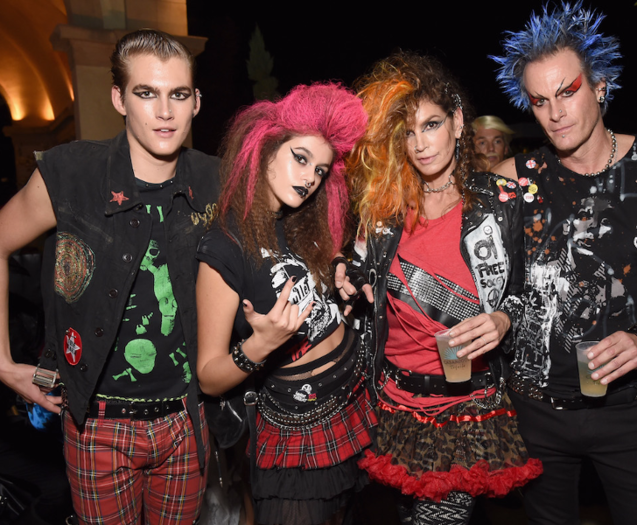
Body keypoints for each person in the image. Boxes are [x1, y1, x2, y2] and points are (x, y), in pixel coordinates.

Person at [490, 2, 637, 524]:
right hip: (534, 410)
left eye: (568, 91)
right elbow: (444, 242)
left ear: (600, 85)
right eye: (540, 100)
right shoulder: (513, 177)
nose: (555, 112)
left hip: (631, 408)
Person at [0, 29, 218, 524]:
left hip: (187, 423)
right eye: (147, 93)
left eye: (178, 94)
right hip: (97, 425)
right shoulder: (71, 173)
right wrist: (4, 364)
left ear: (196, 102)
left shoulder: (216, 180)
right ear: (119, 98)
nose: (164, 111)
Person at [336, 52, 542, 525]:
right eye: (408, 131)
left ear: (457, 121)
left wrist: (503, 318)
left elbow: (526, 289)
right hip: (392, 401)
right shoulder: (383, 209)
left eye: (430, 125)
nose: (420, 143)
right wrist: (348, 275)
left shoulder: (499, 203)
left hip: (464, 407)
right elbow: (362, 268)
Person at [195, 83, 376, 525]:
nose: (311, 178)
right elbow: (209, 376)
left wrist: (339, 275)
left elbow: (312, 285)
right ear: (264, 147)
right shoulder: (225, 245)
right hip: (297, 432)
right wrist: (260, 345)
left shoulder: (299, 223)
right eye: (300, 158)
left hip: (355, 406)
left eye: (320, 170)